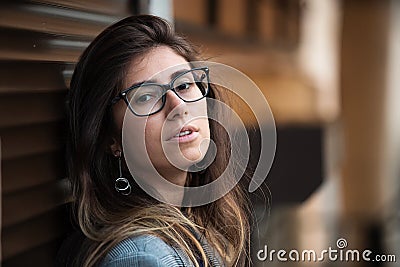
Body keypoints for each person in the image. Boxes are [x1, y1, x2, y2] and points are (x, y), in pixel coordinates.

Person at [58, 14, 252, 267]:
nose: (178, 106)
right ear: (110, 138)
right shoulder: (143, 258)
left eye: (183, 85)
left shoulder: (187, 225)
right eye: (146, 96)